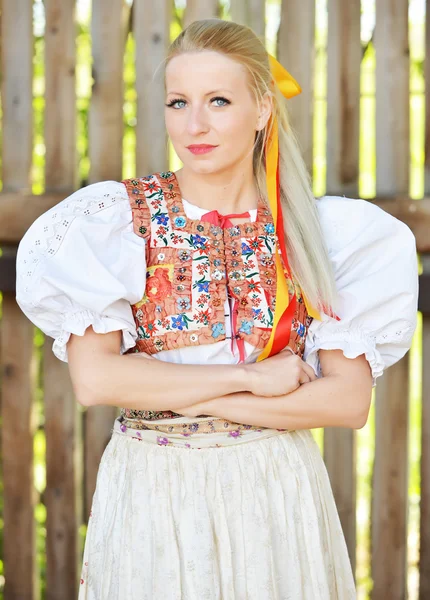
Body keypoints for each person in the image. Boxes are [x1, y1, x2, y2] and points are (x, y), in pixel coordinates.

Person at [15, 18, 418, 600]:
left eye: (218, 101)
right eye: (178, 103)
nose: (194, 125)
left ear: (261, 110)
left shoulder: (323, 234)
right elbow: (97, 379)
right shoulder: (116, 223)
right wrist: (255, 378)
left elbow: (347, 401)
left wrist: (170, 390)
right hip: (155, 488)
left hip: (274, 489)